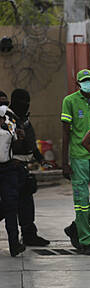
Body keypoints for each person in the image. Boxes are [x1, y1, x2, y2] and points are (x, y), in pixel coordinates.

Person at [61, 69, 90, 255]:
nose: (88, 83)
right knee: (81, 201)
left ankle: (75, 228)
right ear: (78, 84)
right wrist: (64, 161)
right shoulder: (69, 101)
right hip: (78, 156)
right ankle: (86, 241)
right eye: (84, 81)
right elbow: (65, 132)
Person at [8, 89, 50, 246]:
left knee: (26, 202)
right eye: (22, 102)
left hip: (22, 168)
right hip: (10, 168)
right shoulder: (8, 119)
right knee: (8, 205)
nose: (25, 105)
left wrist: (41, 160)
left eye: (27, 102)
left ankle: (29, 234)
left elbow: (31, 144)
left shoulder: (24, 119)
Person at [0, 104, 25, 257]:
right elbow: (18, 139)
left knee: (10, 208)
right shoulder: (9, 131)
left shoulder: (9, 131)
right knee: (10, 208)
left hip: (7, 170)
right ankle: (14, 245)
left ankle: (14, 244)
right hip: (7, 170)